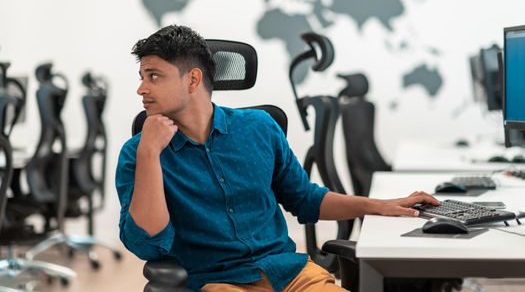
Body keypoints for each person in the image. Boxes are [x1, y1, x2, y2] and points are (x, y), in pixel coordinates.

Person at [116, 24, 439, 292]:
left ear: (193, 80)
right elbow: (147, 244)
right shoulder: (138, 152)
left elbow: (305, 199)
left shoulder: (259, 128)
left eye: (154, 76)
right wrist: (149, 152)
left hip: (289, 273)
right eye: (142, 77)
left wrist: (378, 205)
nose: (142, 89)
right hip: (217, 282)